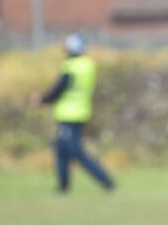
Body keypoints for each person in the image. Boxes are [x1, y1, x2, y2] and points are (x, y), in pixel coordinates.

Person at [35, 34, 114, 193]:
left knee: (75, 151)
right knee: (61, 149)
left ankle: (105, 180)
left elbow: (59, 88)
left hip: (69, 114)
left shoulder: (71, 66)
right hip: (81, 112)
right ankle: (63, 186)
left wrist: (43, 100)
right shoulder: (88, 64)